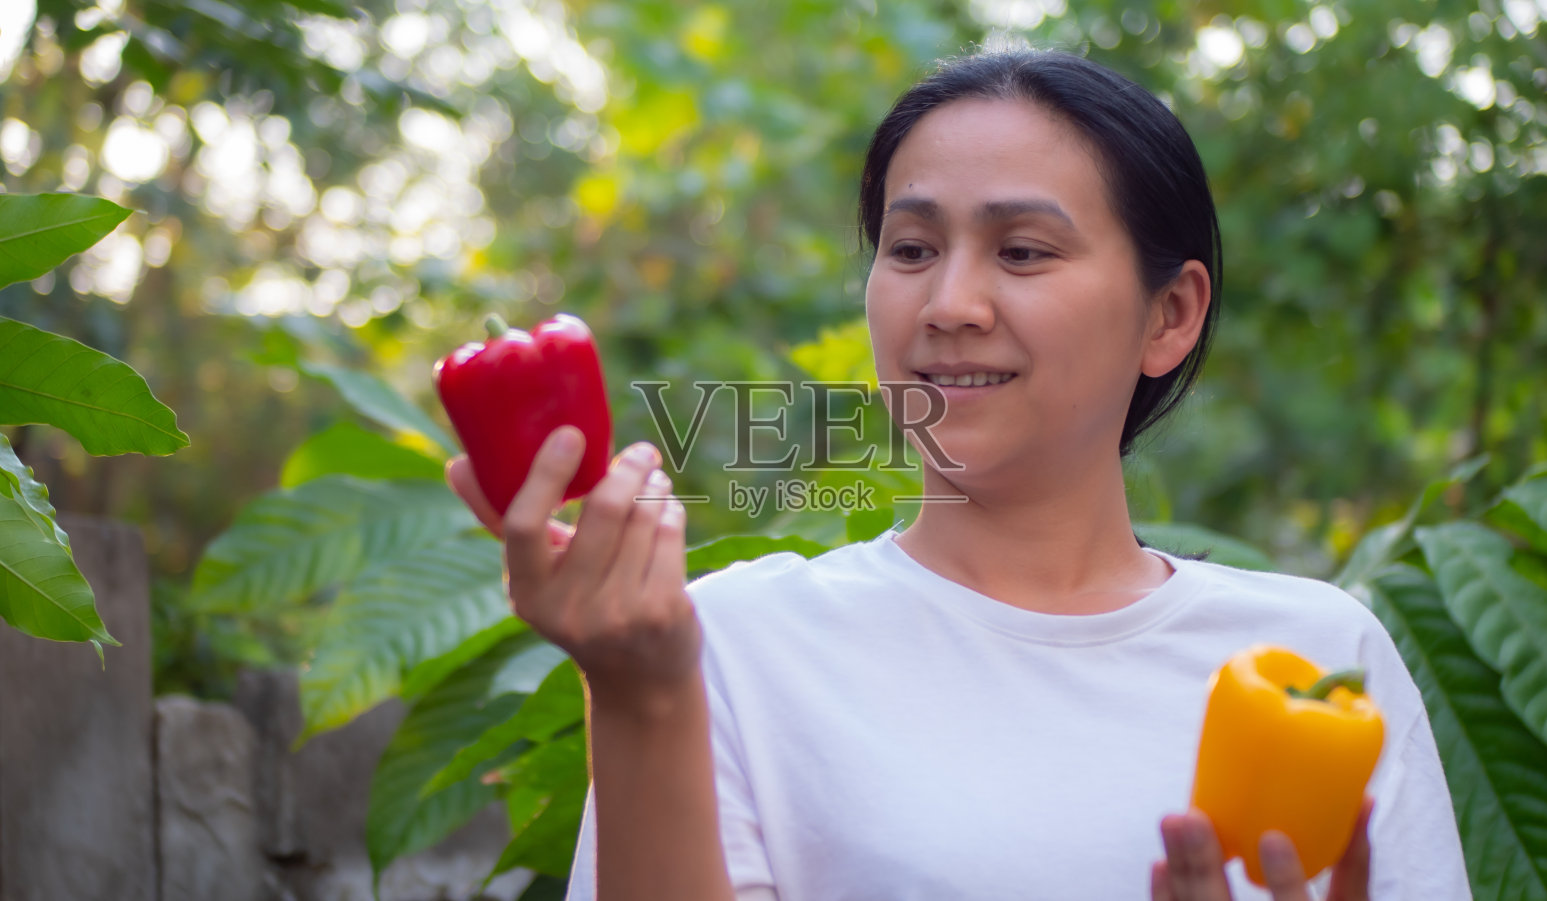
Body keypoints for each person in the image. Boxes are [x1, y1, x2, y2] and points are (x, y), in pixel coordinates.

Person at [446, 48, 1472, 901]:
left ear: (1170, 315)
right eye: (909, 247)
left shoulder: (1320, 657)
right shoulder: (724, 645)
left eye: (1021, 252)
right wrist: (636, 696)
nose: (949, 302)